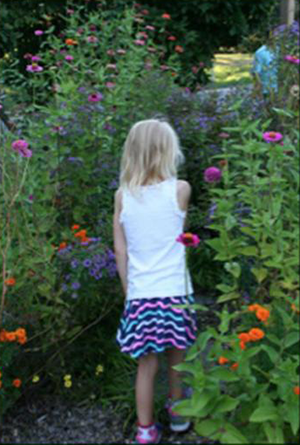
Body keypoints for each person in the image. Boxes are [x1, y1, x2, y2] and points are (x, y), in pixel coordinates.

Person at [114, 119, 198, 444]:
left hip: (141, 294)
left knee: (146, 364)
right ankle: (178, 413)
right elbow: (177, 234)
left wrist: (129, 291)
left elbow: (120, 250)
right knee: (178, 354)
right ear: (167, 152)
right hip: (175, 292)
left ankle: (145, 430)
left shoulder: (123, 197)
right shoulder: (180, 190)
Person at [251, 31, 279, 98]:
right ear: (267, 38)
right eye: (274, 36)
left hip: (281, 89)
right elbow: (256, 72)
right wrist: (258, 89)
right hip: (267, 90)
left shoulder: (280, 50)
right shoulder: (260, 52)